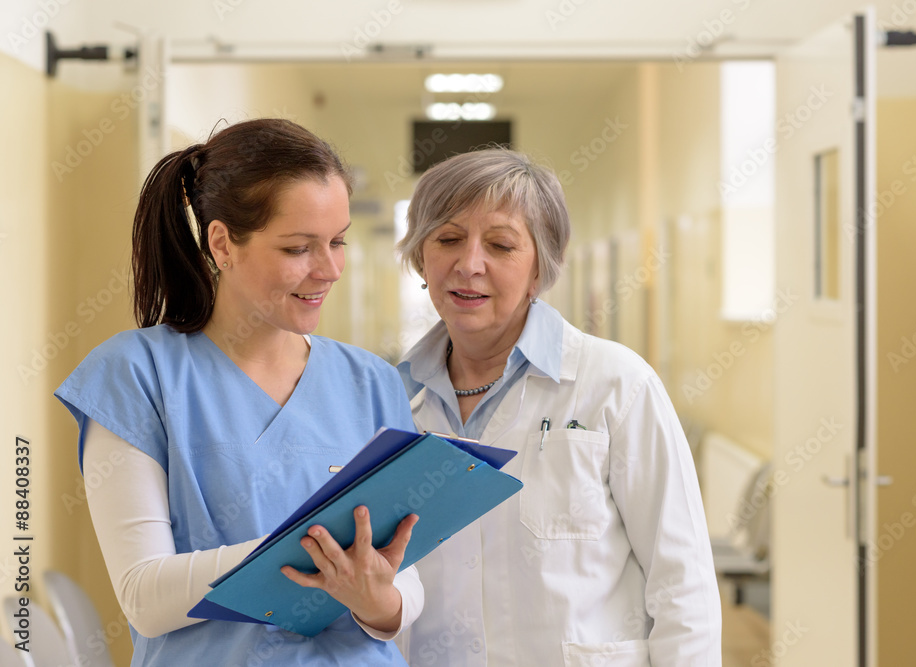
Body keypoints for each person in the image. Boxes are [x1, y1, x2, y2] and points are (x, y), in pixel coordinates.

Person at [55, 118, 421, 666]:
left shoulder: (372, 382)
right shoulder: (136, 374)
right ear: (223, 242)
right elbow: (145, 597)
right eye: (299, 247)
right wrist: (317, 556)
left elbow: (405, 587)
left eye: (338, 241)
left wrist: (377, 600)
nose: (329, 269)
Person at [395, 148, 722, 665]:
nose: (469, 264)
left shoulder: (616, 384)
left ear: (539, 269)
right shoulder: (391, 399)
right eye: (448, 239)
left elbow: (682, 581)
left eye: (501, 245)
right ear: (420, 256)